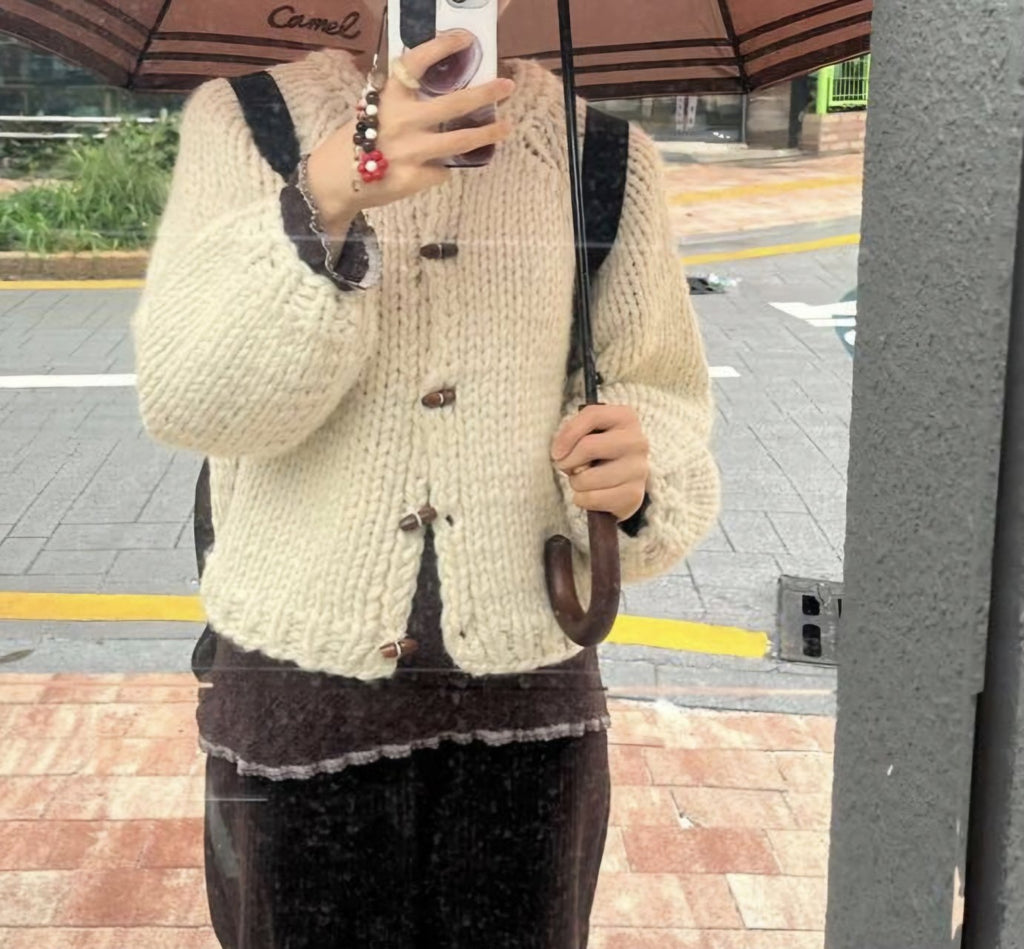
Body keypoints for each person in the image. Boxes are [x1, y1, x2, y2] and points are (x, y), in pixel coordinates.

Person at [131, 1, 720, 945]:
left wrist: (635, 475)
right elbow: (192, 400)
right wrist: (335, 185)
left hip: (529, 690)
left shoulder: (605, 160)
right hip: (298, 689)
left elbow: (660, 392)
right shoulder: (249, 122)